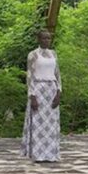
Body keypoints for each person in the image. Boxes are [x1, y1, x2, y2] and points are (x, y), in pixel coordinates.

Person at [22, 30, 62, 162]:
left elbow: (57, 74)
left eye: (49, 39)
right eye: (44, 38)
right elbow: (29, 75)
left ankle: (51, 154)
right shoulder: (33, 54)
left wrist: (59, 92)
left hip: (51, 89)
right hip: (38, 89)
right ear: (38, 39)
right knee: (38, 123)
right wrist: (32, 95)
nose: (46, 41)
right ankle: (38, 154)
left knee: (51, 124)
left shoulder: (53, 54)